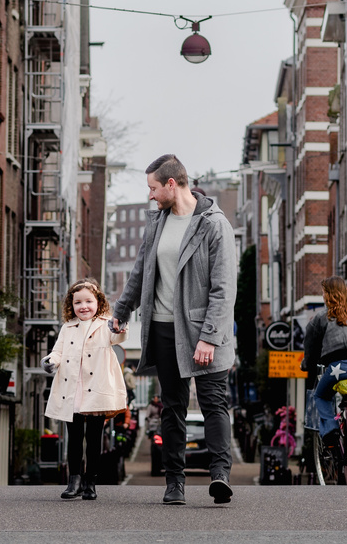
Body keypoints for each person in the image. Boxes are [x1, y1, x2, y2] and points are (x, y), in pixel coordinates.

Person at [110, 154, 237, 506]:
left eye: (152, 188)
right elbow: (140, 273)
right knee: (172, 407)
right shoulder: (157, 223)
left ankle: (220, 477)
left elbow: (224, 287)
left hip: (205, 331)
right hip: (164, 329)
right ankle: (174, 483)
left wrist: (209, 336)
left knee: (213, 404)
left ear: (171, 184)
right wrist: (121, 311)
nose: (149, 196)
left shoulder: (213, 224)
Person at [43, 280, 127, 501]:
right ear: (72, 305)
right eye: (78, 302)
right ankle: (74, 481)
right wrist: (50, 361)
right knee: (74, 438)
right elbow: (58, 351)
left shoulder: (106, 324)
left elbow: (117, 337)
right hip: (73, 389)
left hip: (96, 390)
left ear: (98, 302)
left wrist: (120, 327)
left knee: (94, 439)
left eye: (89, 301)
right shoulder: (67, 327)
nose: (84, 306)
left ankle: (91, 483)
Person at [302, 277, 347, 452]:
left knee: (321, 396)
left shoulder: (320, 318)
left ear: (327, 295)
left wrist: (308, 365)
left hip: (336, 368)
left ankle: (331, 431)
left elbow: (310, 348)